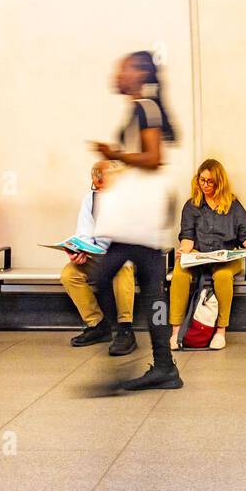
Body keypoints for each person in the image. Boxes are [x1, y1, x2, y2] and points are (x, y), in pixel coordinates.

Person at [89, 51, 183, 390]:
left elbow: (154, 159)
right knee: (153, 295)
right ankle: (164, 366)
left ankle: (124, 334)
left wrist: (114, 154)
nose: (117, 72)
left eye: (124, 67)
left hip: (138, 222)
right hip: (140, 223)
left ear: (141, 72)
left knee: (100, 279)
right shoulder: (140, 109)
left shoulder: (147, 108)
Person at [170, 159, 246, 350]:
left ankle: (220, 332)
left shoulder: (233, 205)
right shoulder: (192, 206)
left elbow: (245, 234)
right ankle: (175, 332)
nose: (205, 185)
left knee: (222, 277)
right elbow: (188, 236)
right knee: (179, 273)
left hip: (226, 256)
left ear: (219, 182)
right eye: (202, 180)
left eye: (209, 181)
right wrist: (185, 250)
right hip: (199, 254)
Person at [61, 160, 137, 350]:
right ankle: (98, 325)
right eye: (96, 186)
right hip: (99, 255)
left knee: (122, 265)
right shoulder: (91, 199)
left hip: (129, 256)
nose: (99, 192)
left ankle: (125, 328)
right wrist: (80, 250)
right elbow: (84, 232)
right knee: (70, 274)